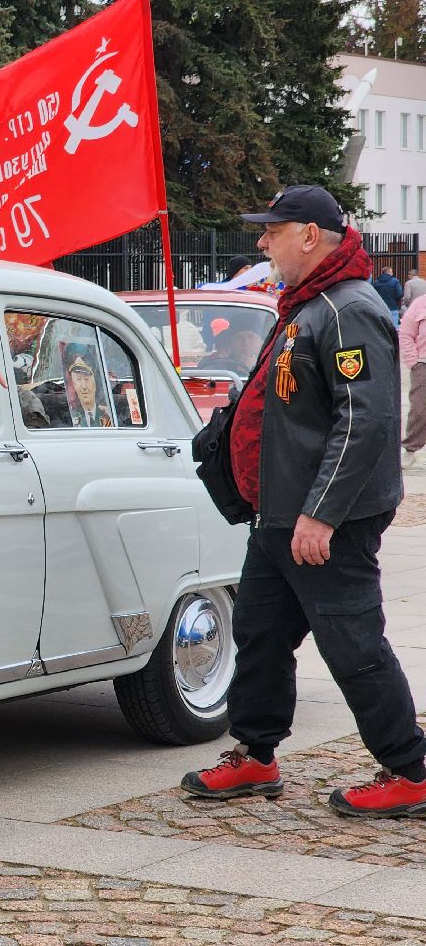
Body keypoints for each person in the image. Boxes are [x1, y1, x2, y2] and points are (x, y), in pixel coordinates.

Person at [183, 184, 424, 818]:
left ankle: (411, 769)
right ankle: (256, 756)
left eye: (272, 231)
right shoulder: (308, 305)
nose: (262, 243)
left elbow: (365, 420)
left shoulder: (348, 310)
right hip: (280, 515)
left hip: (323, 521)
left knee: (353, 644)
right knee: (259, 635)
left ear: (309, 235)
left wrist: (321, 513)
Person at [402, 292, 426, 471]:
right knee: (419, 409)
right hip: (423, 365)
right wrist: (414, 362)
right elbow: (405, 334)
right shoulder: (420, 304)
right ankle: (410, 449)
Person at [63, 346, 113, 427]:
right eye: (78, 379)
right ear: (73, 383)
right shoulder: (69, 416)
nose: (83, 386)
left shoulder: (108, 414)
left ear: (95, 380)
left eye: (86, 379)